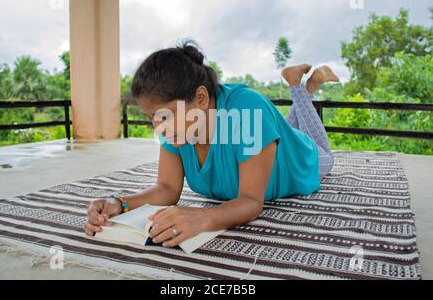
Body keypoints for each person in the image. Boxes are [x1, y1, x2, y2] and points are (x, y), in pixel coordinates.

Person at [85, 40, 339, 249]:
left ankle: (302, 85)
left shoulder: (248, 108)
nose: (159, 127)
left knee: (324, 152)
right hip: (271, 139)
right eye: (152, 117)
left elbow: (250, 201)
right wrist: (119, 202)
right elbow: (166, 189)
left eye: (165, 115)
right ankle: (300, 85)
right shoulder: (176, 129)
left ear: (201, 97)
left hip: (305, 160)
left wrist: (203, 218)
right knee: (283, 129)